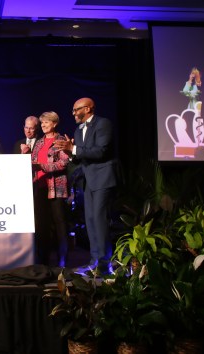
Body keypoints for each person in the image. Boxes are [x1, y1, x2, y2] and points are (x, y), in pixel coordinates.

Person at [54, 97, 117, 275]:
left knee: (99, 220)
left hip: (103, 178)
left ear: (88, 108)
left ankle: (104, 265)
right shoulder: (78, 129)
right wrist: (70, 152)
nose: (73, 113)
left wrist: (73, 150)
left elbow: (101, 151)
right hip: (89, 180)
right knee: (90, 221)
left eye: (77, 109)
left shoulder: (103, 124)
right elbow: (81, 157)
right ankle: (94, 261)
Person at [31, 111, 70, 267]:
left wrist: (43, 166)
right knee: (42, 224)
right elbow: (33, 160)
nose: (43, 125)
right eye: (42, 123)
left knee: (60, 223)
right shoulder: (39, 142)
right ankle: (43, 259)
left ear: (54, 123)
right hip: (40, 187)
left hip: (57, 188)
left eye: (46, 122)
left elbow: (63, 163)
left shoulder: (61, 141)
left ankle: (63, 259)